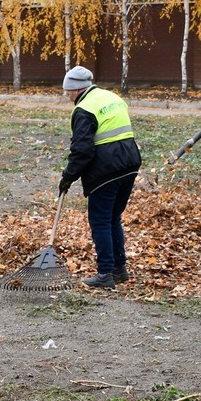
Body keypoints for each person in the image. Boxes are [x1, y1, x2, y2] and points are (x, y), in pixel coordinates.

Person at [57, 65, 143, 289]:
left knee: (101, 221)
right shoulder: (111, 97)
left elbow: (82, 151)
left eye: (69, 93)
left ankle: (105, 273)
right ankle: (119, 268)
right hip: (130, 162)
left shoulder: (84, 108)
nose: (69, 97)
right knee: (113, 217)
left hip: (107, 169)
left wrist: (68, 176)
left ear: (77, 90)